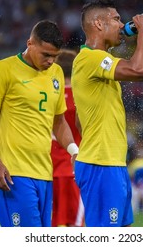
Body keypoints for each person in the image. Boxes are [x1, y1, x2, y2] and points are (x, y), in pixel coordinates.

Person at [0, 20, 79, 227]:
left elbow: (58, 121)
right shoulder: (3, 70)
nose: (51, 61)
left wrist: (73, 151)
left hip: (45, 173)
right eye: (46, 55)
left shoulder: (57, 74)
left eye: (55, 56)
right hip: (14, 173)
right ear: (30, 43)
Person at [71, 0, 143, 227]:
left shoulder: (96, 62)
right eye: (116, 19)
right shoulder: (91, 58)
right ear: (98, 23)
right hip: (101, 165)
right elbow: (140, 69)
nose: (121, 24)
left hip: (110, 162)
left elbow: (80, 120)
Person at [50, 49, 84, 227]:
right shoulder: (83, 97)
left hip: (46, 170)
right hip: (74, 170)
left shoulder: (47, 96)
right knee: (75, 228)